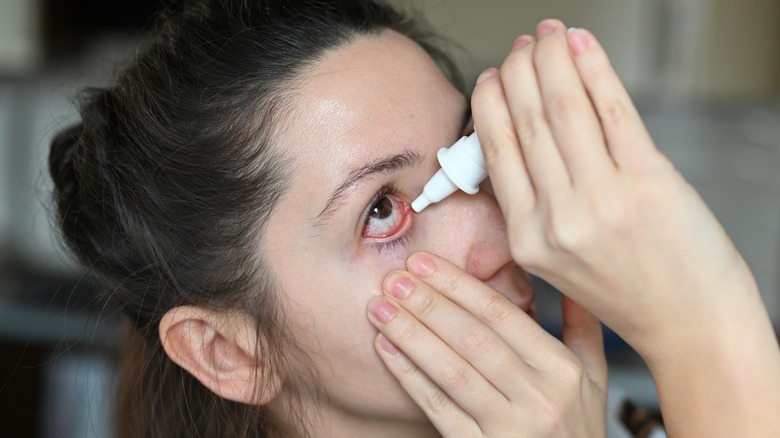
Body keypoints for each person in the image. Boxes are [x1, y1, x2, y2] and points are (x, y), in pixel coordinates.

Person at [47, 0, 780, 437]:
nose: (505, 238)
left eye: (468, 156)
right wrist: (705, 327)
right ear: (229, 352)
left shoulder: (604, 415)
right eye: (381, 211)